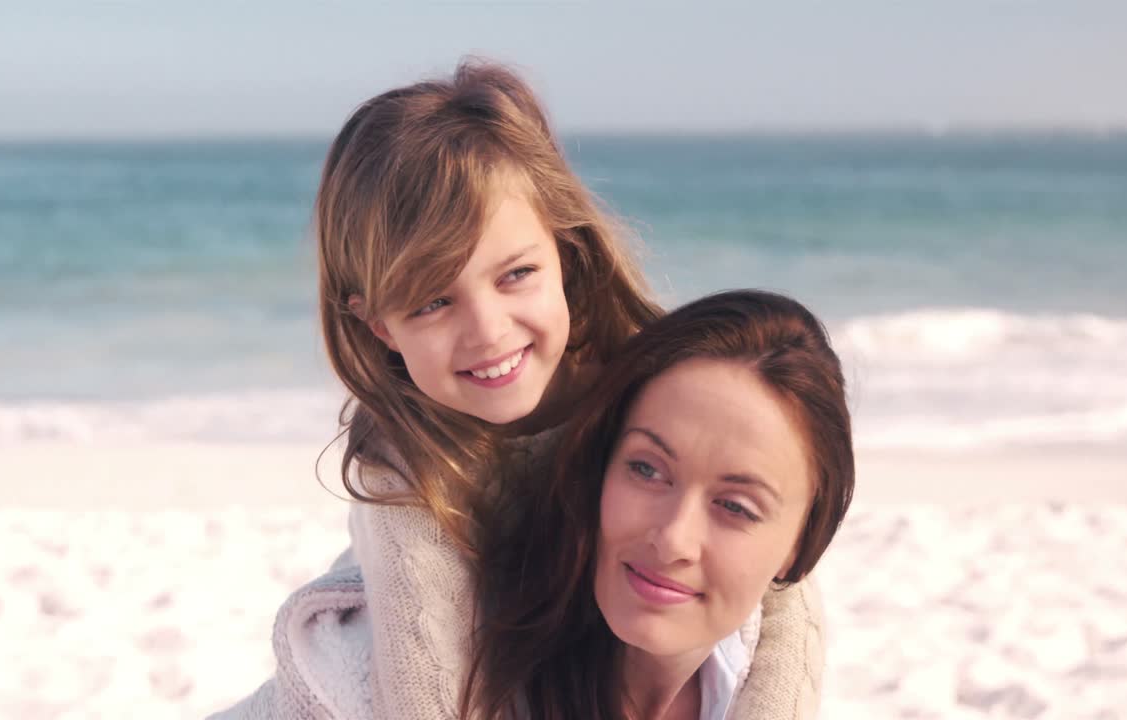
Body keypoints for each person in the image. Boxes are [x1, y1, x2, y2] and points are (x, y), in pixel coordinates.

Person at [212, 60, 826, 720]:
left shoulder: (652, 383)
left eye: (515, 275)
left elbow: (779, 576)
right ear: (378, 325)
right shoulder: (404, 463)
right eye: (432, 302)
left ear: (565, 250)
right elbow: (426, 691)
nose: (488, 332)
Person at [464, 289, 855, 719]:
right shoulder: (468, 658)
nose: (672, 541)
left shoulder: (765, 688)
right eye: (646, 469)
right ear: (600, 463)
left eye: (735, 507)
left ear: (799, 545)